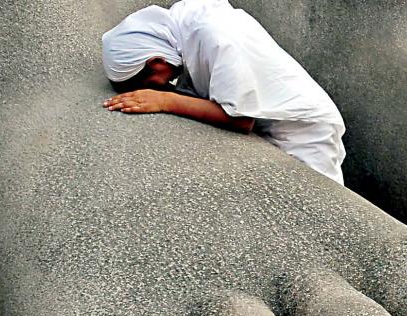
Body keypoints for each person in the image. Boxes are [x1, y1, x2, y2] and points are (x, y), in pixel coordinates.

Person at [101, 0, 347, 185]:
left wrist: (166, 100)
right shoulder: (183, 32)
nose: (157, 88)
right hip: (273, 123)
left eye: (148, 83)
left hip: (302, 132)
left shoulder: (213, 34)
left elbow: (240, 119)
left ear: (155, 60)